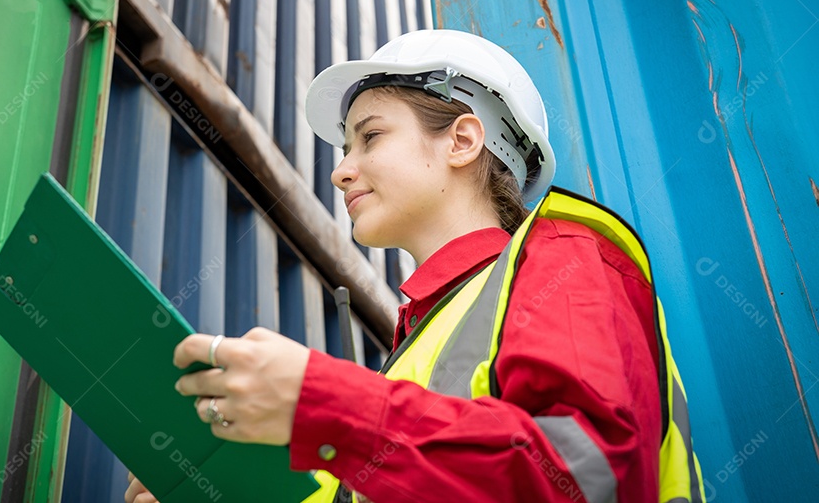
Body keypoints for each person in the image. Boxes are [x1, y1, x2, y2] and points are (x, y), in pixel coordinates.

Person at [125, 30, 705, 503]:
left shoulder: (565, 256)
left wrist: (324, 406)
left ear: (462, 141)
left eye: (369, 137)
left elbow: (589, 480)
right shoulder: (412, 362)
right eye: (345, 150)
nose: (341, 171)